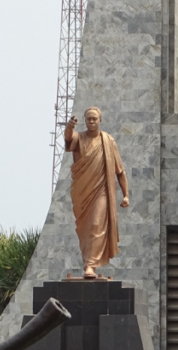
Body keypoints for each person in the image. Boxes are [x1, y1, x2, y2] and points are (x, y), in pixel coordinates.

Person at [65, 106, 130, 278]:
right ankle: (88, 260)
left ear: (100, 120)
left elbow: (120, 171)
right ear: (85, 121)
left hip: (101, 191)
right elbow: (69, 138)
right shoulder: (79, 138)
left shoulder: (108, 142)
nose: (92, 122)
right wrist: (69, 128)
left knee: (96, 225)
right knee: (85, 229)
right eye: (88, 119)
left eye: (95, 119)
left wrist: (126, 194)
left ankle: (90, 265)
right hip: (82, 193)